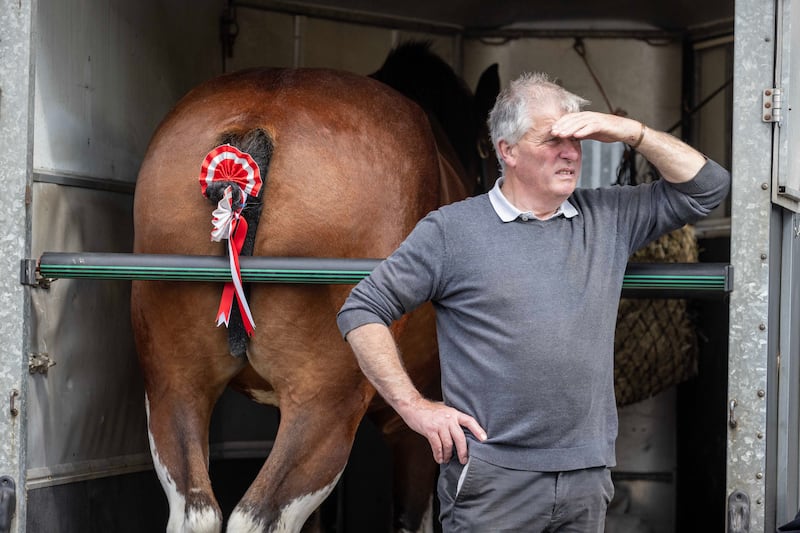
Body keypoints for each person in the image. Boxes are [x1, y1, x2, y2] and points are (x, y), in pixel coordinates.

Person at [336, 72, 731, 532]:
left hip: (586, 476)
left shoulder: (608, 216)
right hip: (493, 479)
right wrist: (413, 406)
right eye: (552, 140)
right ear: (507, 150)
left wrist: (632, 132)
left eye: (577, 139)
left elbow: (709, 187)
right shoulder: (453, 231)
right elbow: (362, 309)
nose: (570, 152)